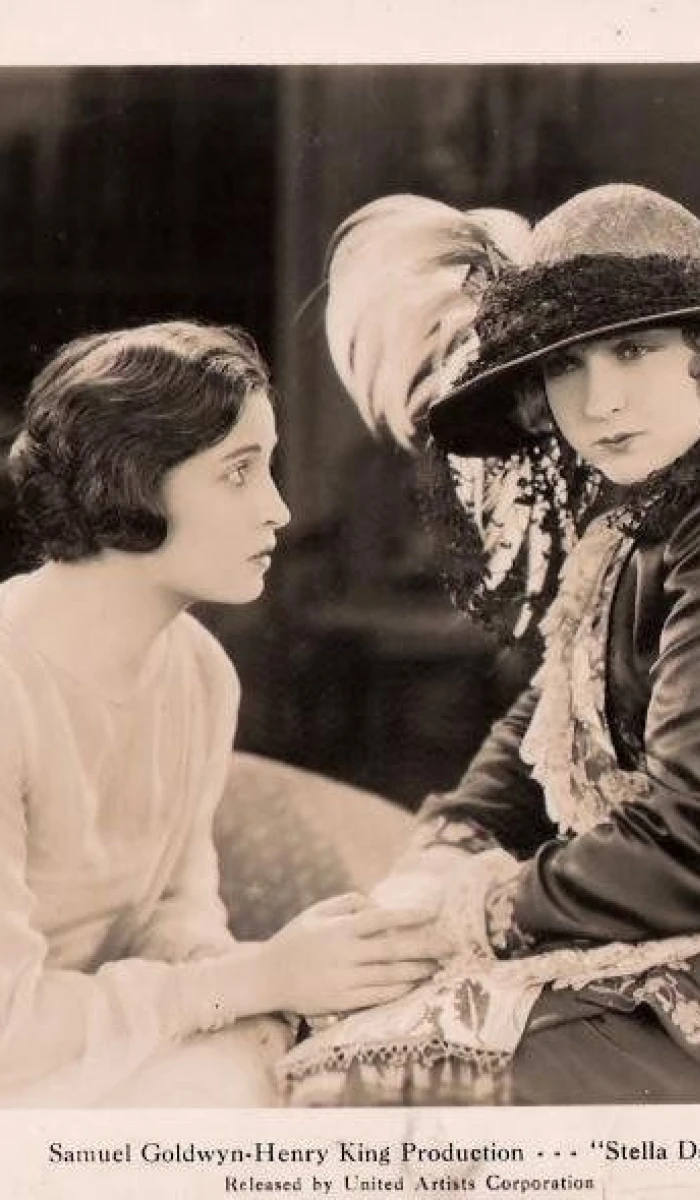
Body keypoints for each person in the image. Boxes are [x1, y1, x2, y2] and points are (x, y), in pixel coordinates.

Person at [278, 183, 700, 1105]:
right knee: (321, 1023)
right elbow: (552, 715)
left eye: (634, 350)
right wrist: (446, 852)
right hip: (692, 942)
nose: (600, 401)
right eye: (566, 366)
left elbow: (696, 853)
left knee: (355, 1084)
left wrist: (465, 914)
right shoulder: (648, 515)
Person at [0, 319, 445, 1107]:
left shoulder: (198, 671)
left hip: (101, 1058)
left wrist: (284, 985)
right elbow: (8, 1031)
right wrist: (256, 979)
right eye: (239, 472)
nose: (278, 509)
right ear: (131, 478)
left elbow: (177, 919)